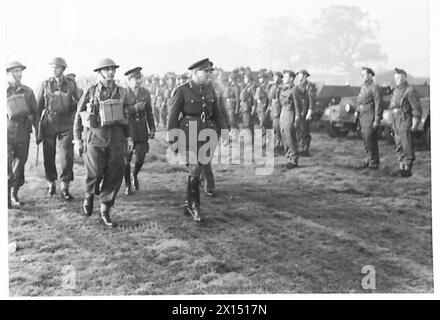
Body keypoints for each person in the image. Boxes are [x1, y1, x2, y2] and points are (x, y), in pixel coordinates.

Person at [73, 58, 135, 226]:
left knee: (115, 172)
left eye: (113, 69)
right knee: (95, 171)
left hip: (116, 136)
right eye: (107, 70)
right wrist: (77, 140)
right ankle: (89, 195)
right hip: (95, 137)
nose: (111, 72)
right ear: (99, 73)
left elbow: (129, 116)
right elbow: (78, 116)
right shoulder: (91, 91)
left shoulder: (122, 92)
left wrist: (129, 137)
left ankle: (105, 208)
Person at [167, 58, 226, 222]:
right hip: (188, 134)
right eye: (205, 71)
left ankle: (188, 204)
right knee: (194, 169)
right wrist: (173, 141)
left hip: (207, 135)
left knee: (198, 169)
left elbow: (217, 113)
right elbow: (172, 119)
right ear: (194, 73)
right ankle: (195, 207)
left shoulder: (209, 89)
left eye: (210, 72)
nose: (209, 74)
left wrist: (224, 132)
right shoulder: (182, 91)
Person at [36, 57, 80, 200]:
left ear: (63, 68)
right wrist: (37, 129)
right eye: (52, 67)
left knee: (66, 157)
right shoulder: (45, 84)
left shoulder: (71, 84)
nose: (53, 69)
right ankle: (51, 185)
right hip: (49, 122)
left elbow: (80, 102)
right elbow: (38, 107)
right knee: (48, 155)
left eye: (56, 67)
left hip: (66, 124)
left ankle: (65, 188)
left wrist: (73, 110)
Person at [6, 61, 39, 208]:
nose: (18, 74)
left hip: (23, 134)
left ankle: (14, 193)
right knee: (6, 165)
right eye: (14, 72)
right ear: (7, 73)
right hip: (6, 133)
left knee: (19, 166)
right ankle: (5, 197)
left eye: (20, 71)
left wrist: (38, 131)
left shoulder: (28, 91)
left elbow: (36, 113)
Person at [123, 67, 156, 195]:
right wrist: (134, 108)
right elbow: (121, 112)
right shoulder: (123, 93)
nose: (138, 81)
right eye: (135, 79)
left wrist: (152, 127)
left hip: (142, 130)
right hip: (128, 130)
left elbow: (149, 112)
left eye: (139, 78)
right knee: (126, 159)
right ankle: (127, 185)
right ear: (129, 80)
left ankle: (134, 174)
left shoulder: (145, 93)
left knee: (141, 157)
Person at [388, 68, 423, 177]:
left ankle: (407, 169)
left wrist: (415, 122)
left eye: (399, 77)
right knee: (398, 145)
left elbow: (416, 109)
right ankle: (401, 168)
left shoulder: (410, 90)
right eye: (395, 78)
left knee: (406, 144)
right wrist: (390, 120)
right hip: (395, 120)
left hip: (405, 119)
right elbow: (391, 107)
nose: (397, 80)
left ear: (404, 77)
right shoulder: (395, 91)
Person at [356, 67, 383, 169]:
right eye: (361, 75)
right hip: (362, 117)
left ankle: (374, 162)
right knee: (365, 139)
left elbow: (378, 104)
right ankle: (369, 158)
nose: (362, 76)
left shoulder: (375, 87)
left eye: (364, 74)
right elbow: (360, 102)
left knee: (370, 139)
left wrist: (376, 120)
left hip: (370, 117)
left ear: (370, 75)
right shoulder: (363, 87)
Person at [279, 70, 300, 169]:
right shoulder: (283, 89)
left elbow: (297, 105)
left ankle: (294, 160)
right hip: (283, 114)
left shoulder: (294, 89)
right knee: (284, 137)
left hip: (290, 114)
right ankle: (288, 158)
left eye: (285, 76)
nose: (283, 78)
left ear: (291, 78)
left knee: (290, 137)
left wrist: (297, 117)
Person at [295, 69, 316, 156]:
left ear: (304, 76)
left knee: (305, 131)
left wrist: (310, 111)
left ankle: (305, 149)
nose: (298, 77)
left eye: (299, 75)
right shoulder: (298, 86)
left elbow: (312, 99)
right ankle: (301, 148)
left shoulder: (309, 85)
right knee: (298, 130)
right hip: (299, 112)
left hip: (305, 111)